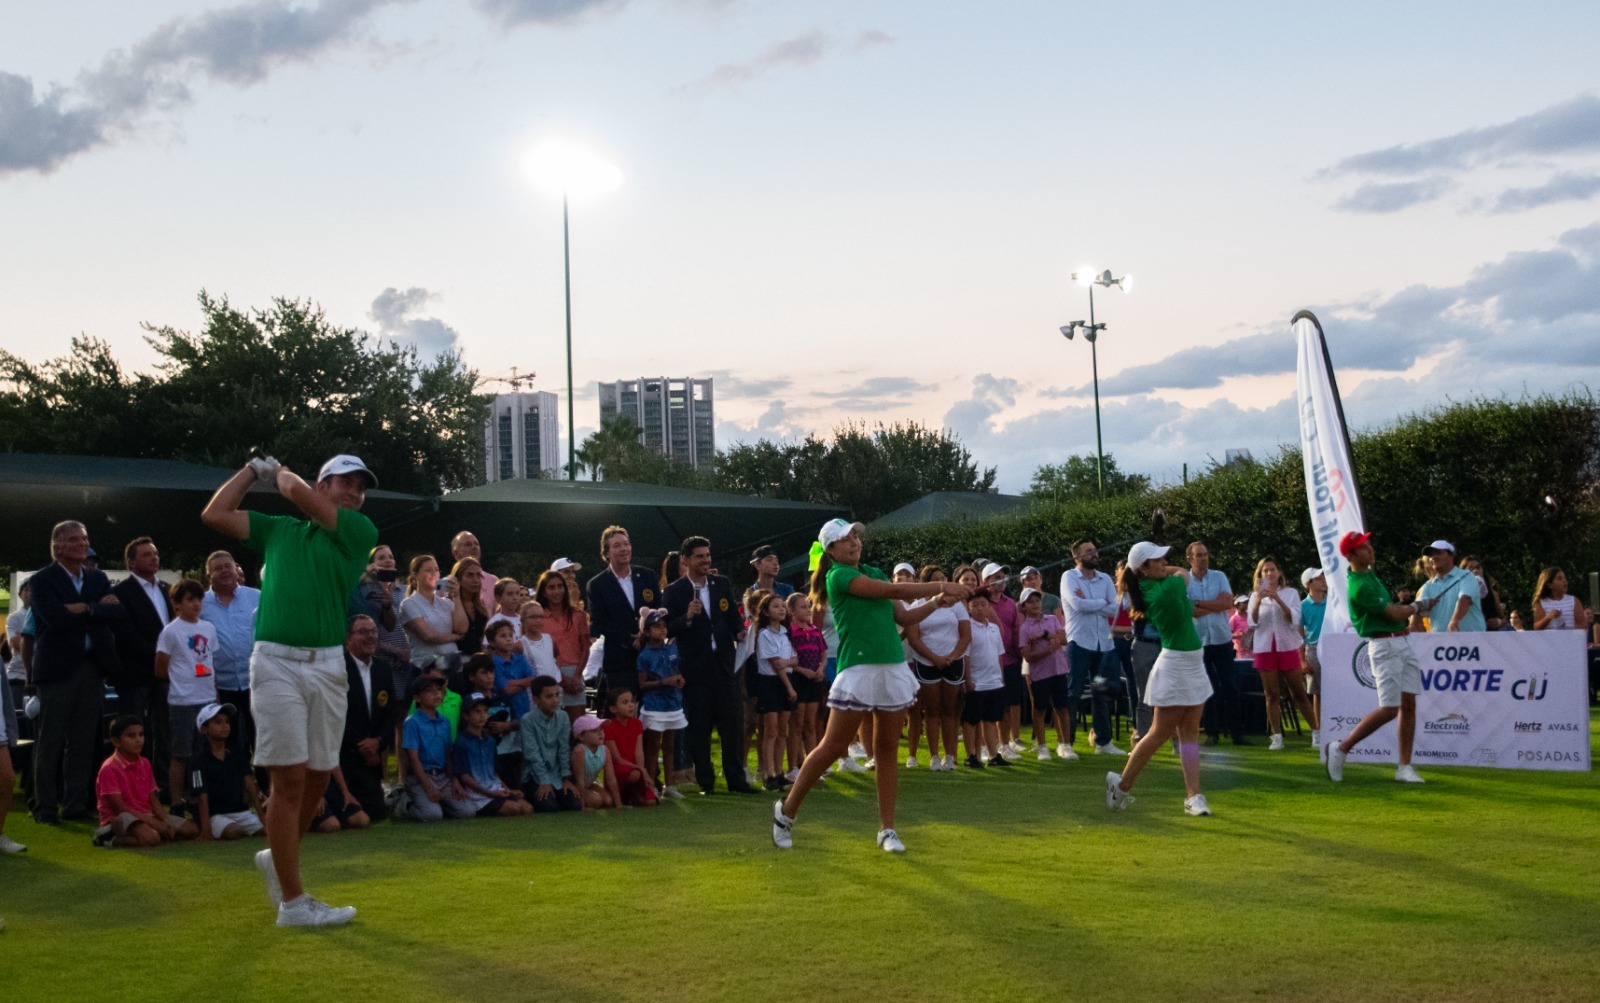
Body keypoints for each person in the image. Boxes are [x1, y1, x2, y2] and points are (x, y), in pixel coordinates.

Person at [200, 452, 377, 926]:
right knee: (291, 778)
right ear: (324, 484)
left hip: (326, 666)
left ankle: (277, 858)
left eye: (360, 487)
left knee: (319, 773)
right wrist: (249, 472)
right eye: (345, 483)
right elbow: (214, 514)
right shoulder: (278, 529)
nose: (355, 493)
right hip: (275, 661)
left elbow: (295, 491)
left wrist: (278, 474)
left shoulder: (359, 532)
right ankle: (294, 902)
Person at [772, 519, 970, 854]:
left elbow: (904, 618)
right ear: (832, 549)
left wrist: (938, 602)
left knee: (887, 749)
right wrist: (941, 587)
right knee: (833, 747)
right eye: (846, 539)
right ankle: (786, 812)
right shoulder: (840, 576)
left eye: (856, 536)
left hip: (891, 665)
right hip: (859, 668)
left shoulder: (875, 571)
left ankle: (887, 830)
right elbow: (894, 591)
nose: (854, 542)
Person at [1107, 542, 1220, 817]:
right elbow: (1183, 571)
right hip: (1175, 665)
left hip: (1192, 662)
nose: (1164, 562)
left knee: (1190, 734)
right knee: (1158, 733)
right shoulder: (1163, 590)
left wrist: (1147, 568)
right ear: (1144, 568)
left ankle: (1194, 796)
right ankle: (1121, 786)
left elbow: (1174, 571)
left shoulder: (1153, 584)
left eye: (1162, 559)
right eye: (1157, 560)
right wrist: (1156, 570)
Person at [28, 519, 126, 824]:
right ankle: (44, 806)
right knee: (51, 740)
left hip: (91, 667)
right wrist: (95, 608)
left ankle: (75, 803)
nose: (82, 545)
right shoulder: (42, 580)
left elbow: (116, 612)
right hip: (57, 670)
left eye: (84, 540)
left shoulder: (97, 578)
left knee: (84, 741)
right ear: (57, 547)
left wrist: (82, 608)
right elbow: (56, 620)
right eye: (74, 540)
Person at [1326, 531, 1430, 784]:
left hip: (1401, 641)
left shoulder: (1369, 575)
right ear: (1350, 555)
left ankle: (1404, 767)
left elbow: (1394, 615)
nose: (1370, 549)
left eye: (1369, 544)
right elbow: (1394, 612)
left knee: (1408, 705)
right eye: (1363, 547)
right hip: (1384, 647)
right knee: (1390, 709)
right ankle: (1341, 748)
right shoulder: (1360, 586)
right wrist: (1418, 605)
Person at [663, 536, 756, 794]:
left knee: (732, 725)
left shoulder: (720, 583)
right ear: (685, 560)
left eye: (707, 555)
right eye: (699, 556)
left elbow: (730, 617)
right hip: (696, 668)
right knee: (700, 727)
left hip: (725, 666)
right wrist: (687, 617)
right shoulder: (674, 591)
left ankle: (736, 779)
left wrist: (740, 632)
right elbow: (668, 627)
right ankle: (706, 781)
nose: (705, 560)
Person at [111, 536, 173, 779]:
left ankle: (164, 782)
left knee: (165, 728)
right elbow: (125, 633)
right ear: (131, 562)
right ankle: (132, 779)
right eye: (146, 554)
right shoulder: (120, 592)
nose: (154, 558)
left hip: (166, 673)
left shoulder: (167, 589)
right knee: (133, 728)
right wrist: (157, 656)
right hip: (135, 672)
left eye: (155, 553)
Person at [153, 579, 219, 807]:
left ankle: (203, 799)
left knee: (206, 752)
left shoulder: (209, 628)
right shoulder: (170, 632)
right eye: (190, 599)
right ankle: (176, 801)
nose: (196, 604)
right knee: (181, 753)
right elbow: (161, 668)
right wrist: (183, 680)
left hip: (207, 698)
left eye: (199, 599)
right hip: (182, 701)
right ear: (177, 604)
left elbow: (210, 663)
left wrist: (215, 695)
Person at [1061, 540, 1127, 758]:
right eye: (1089, 551)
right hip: (1079, 643)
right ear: (1077, 557)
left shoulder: (1105, 578)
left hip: (1104, 645)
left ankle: (1103, 741)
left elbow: (1115, 609)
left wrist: (1091, 602)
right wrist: (1101, 603)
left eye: (1095, 550)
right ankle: (1066, 743)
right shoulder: (1069, 577)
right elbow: (1077, 605)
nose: (1095, 554)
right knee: (1073, 694)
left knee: (1102, 694)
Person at [94, 714, 198, 848]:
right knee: (151, 838)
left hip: (145, 815)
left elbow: (153, 799)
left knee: (192, 829)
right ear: (116, 742)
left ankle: (152, 832)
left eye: (141, 734)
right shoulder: (109, 768)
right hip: (120, 818)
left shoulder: (145, 763)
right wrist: (155, 823)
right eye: (131, 736)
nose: (138, 740)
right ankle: (108, 839)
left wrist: (165, 821)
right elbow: (120, 808)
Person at [903, 565, 970, 771]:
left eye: (944, 578)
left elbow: (966, 635)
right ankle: (934, 756)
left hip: (952, 663)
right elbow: (913, 639)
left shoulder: (957, 605)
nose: (943, 582)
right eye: (937, 579)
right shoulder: (918, 606)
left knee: (950, 711)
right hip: (927, 663)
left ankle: (949, 756)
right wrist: (935, 658)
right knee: (931, 711)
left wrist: (951, 657)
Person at [1247, 557, 1317, 750]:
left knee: (1298, 692)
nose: (1269, 574)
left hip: (1286, 646)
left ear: (1279, 572)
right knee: (1271, 694)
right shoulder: (1255, 596)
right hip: (1264, 647)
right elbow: (1252, 623)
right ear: (1260, 575)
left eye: (1272, 570)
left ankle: (1316, 732)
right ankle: (1276, 736)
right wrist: (1258, 602)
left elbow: (1293, 619)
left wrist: (1277, 599)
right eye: (1265, 571)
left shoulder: (1290, 593)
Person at [1185, 541, 1248, 746]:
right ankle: (1212, 732)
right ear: (1190, 559)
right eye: (1199, 555)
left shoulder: (1219, 576)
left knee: (1230, 686)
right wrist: (1214, 605)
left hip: (1221, 640)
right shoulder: (1185, 581)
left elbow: (1228, 603)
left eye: (1205, 554)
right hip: (1200, 641)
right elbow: (1188, 610)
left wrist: (1199, 603)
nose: (1203, 558)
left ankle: (1237, 734)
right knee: (1208, 688)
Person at [586, 526, 658, 704]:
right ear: (607, 552)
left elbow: (658, 608)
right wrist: (629, 640)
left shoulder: (647, 576)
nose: (624, 549)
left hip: (651, 657)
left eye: (626, 544)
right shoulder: (597, 584)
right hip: (619, 662)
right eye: (617, 545)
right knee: (623, 716)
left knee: (651, 717)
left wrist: (645, 635)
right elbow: (599, 622)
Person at [202, 550, 261, 760]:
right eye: (218, 569)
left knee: (261, 737)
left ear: (236, 569)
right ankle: (237, 787)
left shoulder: (256, 597)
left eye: (228, 566)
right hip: (220, 686)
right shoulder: (201, 603)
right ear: (209, 576)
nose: (225, 571)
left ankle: (265, 786)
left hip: (255, 681)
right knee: (229, 740)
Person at [341, 615, 396, 821]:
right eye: (363, 632)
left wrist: (378, 742)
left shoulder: (382, 668)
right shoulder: (338, 668)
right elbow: (333, 714)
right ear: (348, 638)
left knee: (376, 814)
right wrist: (361, 745)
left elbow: (389, 713)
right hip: (342, 755)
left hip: (371, 758)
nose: (371, 636)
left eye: (373, 631)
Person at [188, 702, 266, 841]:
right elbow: (201, 796)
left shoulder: (237, 753)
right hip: (216, 814)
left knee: (268, 829)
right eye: (218, 722)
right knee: (233, 831)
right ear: (205, 729)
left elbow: (250, 786)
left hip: (241, 812)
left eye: (227, 722)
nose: (225, 726)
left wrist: (262, 818)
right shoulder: (198, 760)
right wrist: (206, 830)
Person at [446, 696, 532, 818]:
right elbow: (464, 777)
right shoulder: (461, 743)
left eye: (485, 711)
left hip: (495, 790)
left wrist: (508, 790)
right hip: (478, 796)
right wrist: (490, 793)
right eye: (477, 711)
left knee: (528, 808)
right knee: (516, 809)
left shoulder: (490, 741)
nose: (482, 715)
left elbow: (493, 772)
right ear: (466, 716)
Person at [635, 608, 685, 799]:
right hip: (654, 704)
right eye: (657, 626)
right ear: (646, 632)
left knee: (671, 745)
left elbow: (676, 671)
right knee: (653, 746)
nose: (662, 630)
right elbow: (642, 684)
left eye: (664, 626)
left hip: (673, 703)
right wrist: (663, 682)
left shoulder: (672, 648)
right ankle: (651, 784)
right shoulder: (644, 655)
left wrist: (680, 680)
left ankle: (670, 785)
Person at [1018, 587, 1072, 761]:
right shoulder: (1025, 629)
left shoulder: (1052, 620)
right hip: (1040, 674)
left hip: (1059, 669)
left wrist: (1045, 635)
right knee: (1040, 709)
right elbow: (1028, 656)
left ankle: (1065, 744)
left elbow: (1063, 639)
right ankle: (1042, 746)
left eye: (1037, 600)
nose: (1035, 604)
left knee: (1062, 707)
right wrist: (1049, 649)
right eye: (1030, 602)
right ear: (1024, 606)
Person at [752, 593, 798, 790]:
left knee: (782, 730)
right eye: (775, 606)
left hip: (785, 680)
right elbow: (775, 664)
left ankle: (779, 772)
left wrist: (787, 663)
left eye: (782, 606)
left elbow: (793, 660)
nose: (781, 609)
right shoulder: (764, 634)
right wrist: (789, 687)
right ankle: (768, 774)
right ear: (765, 611)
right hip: (771, 683)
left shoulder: (785, 633)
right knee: (770, 730)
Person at [519, 676, 582, 812]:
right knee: (549, 807)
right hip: (534, 775)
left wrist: (566, 778)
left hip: (557, 774)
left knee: (574, 804)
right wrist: (544, 781)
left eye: (557, 695)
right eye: (548, 696)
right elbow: (533, 755)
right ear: (536, 699)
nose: (555, 700)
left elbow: (564, 749)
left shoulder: (563, 717)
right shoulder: (527, 720)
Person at [961, 590, 1009, 769]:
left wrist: (1001, 678)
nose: (979, 609)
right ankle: (971, 756)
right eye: (975, 605)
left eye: (983, 604)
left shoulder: (994, 628)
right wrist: (968, 680)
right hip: (976, 682)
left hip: (994, 681)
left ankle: (993, 755)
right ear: (968, 607)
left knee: (991, 720)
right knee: (972, 720)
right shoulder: (967, 628)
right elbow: (965, 656)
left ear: (989, 606)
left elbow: (999, 654)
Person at [535, 571, 591, 722]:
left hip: (575, 673)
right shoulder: (538, 617)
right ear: (544, 592)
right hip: (549, 673)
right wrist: (561, 677)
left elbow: (585, 646)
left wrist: (577, 676)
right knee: (551, 724)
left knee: (577, 726)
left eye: (560, 586)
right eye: (551, 587)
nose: (557, 591)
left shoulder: (577, 615)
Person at [982, 563, 1025, 758]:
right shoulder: (980, 602)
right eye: (995, 577)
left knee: (1007, 704)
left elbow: (1016, 629)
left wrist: (1019, 653)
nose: (1000, 580)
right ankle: (984, 745)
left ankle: (1004, 744)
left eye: (1002, 576)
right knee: (988, 706)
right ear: (986, 582)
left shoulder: (1010, 603)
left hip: (1009, 659)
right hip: (986, 662)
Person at [401, 673, 454, 821]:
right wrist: (428, 787)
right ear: (417, 698)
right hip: (421, 776)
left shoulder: (445, 721)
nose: (436, 694)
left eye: (439, 690)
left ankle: (439, 804)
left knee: (467, 810)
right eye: (429, 690)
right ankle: (404, 806)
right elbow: (413, 757)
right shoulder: (412, 722)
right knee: (432, 815)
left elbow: (448, 754)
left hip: (442, 776)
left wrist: (454, 779)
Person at [785, 592, 827, 773]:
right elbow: (789, 658)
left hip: (814, 680)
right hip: (798, 680)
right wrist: (804, 671)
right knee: (797, 723)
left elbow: (823, 654)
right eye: (803, 607)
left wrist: (820, 669)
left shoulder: (815, 631)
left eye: (808, 606)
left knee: (811, 723)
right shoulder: (790, 632)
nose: (808, 610)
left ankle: (812, 766)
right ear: (791, 611)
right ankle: (793, 765)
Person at [350, 545, 411, 667]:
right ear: (370, 565)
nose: (388, 560)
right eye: (381, 558)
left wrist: (387, 606)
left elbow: (391, 626)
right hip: (373, 654)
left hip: (405, 658)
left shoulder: (404, 590)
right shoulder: (363, 590)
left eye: (391, 557)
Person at [400, 555, 461, 671]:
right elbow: (429, 636)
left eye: (436, 570)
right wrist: (456, 637)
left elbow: (462, 627)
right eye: (428, 570)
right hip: (427, 668)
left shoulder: (446, 603)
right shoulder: (409, 603)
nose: (434, 573)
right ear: (415, 575)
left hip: (452, 666)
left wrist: (457, 597)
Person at [602, 688, 659, 806]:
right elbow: (617, 759)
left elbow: (639, 753)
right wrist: (642, 771)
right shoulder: (608, 726)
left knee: (650, 802)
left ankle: (632, 794)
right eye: (625, 702)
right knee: (635, 774)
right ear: (613, 709)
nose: (631, 705)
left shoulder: (637, 724)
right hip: (618, 769)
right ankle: (621, 793)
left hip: (636, 770)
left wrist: (642, 770)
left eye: (632, 701)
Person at [1414, 541, 1486, 633]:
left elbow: (1465, 599)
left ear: (1451, 556)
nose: (1433, 557)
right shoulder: (1427, 586)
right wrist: (1412, 624)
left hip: (1471, 639)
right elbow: (1417, 608)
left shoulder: (1467, 576)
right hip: (1441, 642)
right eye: (1431, 555)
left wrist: (1455, 620)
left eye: (1438, 553)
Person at [1300, 568, 1328, 743]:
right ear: (1309, 583)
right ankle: (1318, 732)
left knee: (1335, 690)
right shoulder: (1303, 606)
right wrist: (1301, 660)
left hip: (1333, 648)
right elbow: (1299, 634)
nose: (1323, 580)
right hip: (1313, 648)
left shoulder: (1332, 602)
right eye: (1319, 578)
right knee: (1318, 692)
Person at [570, 713, 620, 811]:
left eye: (601, 729)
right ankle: (582, 804)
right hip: (575, 786)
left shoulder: (605, 750)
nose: (600, 733)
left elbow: (611, 780)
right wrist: (582, 807)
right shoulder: (579, 751)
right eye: (594, 730)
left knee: (608, 801)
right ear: (581, 736)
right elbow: (579, 780)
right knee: (596, 801)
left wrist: (619, 805)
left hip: (588, 785)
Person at [449, 558, 491, 655]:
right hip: (455, 660)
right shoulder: (448, 604)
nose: (476, 580)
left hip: (476, 661)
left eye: (479, 575)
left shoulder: (480, 606)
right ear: (458, 579)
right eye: (470, 575)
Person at [449, 531, 497, 612]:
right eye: (468, 544)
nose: (474, 547)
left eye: (476, 544)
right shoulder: (446, 584)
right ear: (456, 553)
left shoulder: (493, 581)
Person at [1533, 567, 1590, 632]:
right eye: (1559, 578)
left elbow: (1581, 625)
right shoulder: (1541, 603)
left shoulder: (1574, 601)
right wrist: (1548, 618)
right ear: (1550, 584)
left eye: (1564, 578)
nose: (1564, 581)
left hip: (1570, 639)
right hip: (1549, 640)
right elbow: (1536, 628)